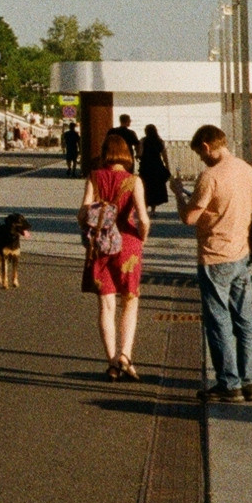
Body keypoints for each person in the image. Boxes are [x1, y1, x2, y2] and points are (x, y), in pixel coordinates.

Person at [181, 122, 252, 402]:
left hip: (215, 256)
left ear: (206, 147)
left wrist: (179, 194)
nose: (201, 159)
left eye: (200, 154)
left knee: (218, 322)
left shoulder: (210, 176)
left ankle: (229, 383)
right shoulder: (247, 170)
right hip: (242, 253)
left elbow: (189, 218)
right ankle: (250, 381)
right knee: (245, 319)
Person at [79, 125, 150, 378]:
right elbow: (143, 218)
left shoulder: (95, 177)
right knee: (130, 300)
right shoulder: (134, 181)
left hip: (101, 245)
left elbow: (84, 211)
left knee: (106, 304)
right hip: (128, 244)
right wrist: (142, 239)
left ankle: (111, 361)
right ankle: (125, 355)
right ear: (127, 154)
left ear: (104, 153)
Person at [137, 124, 173, 220]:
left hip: (146, 167)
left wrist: (138, 156)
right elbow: (164, 155)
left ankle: (145, 209)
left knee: (145, 188)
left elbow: (140, 153)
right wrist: (167, 167)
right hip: (157, 166)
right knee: (156, 188)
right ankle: (153, 210)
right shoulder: (160, 141)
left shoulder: (143, 140)